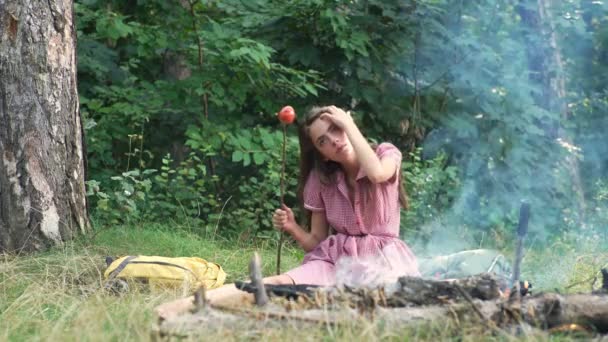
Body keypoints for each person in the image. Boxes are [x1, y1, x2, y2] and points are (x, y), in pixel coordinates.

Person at [155, 105, 419, 320]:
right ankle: (182, 308)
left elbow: (376, 174)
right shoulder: (322, 179)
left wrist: (349, 124)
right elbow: (316, 242)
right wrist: (293, 227)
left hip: (383, 261)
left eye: (336, 129)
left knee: (369, 305)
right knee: (281, 282)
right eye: (323, 141)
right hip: (338, 259)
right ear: (322, 154)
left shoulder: (386, 153)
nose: (335, 141)